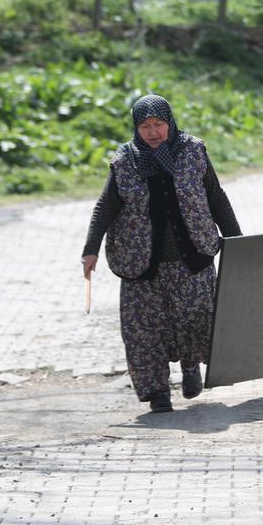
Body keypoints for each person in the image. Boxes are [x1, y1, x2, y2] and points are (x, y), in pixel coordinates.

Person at [82, 95, 242, 413]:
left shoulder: (192, 151)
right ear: (136, 128)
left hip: (191, 257)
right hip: (142, 263)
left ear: (170, 123)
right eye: (145, 126)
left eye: (158, 124)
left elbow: (215, 195)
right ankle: (157, 392)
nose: (153, 132)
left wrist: (236, 239)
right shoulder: (126, 160)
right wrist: (91, 249)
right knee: (144, 330)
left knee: (195, 318)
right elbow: (106, 206)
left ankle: (190, 366)